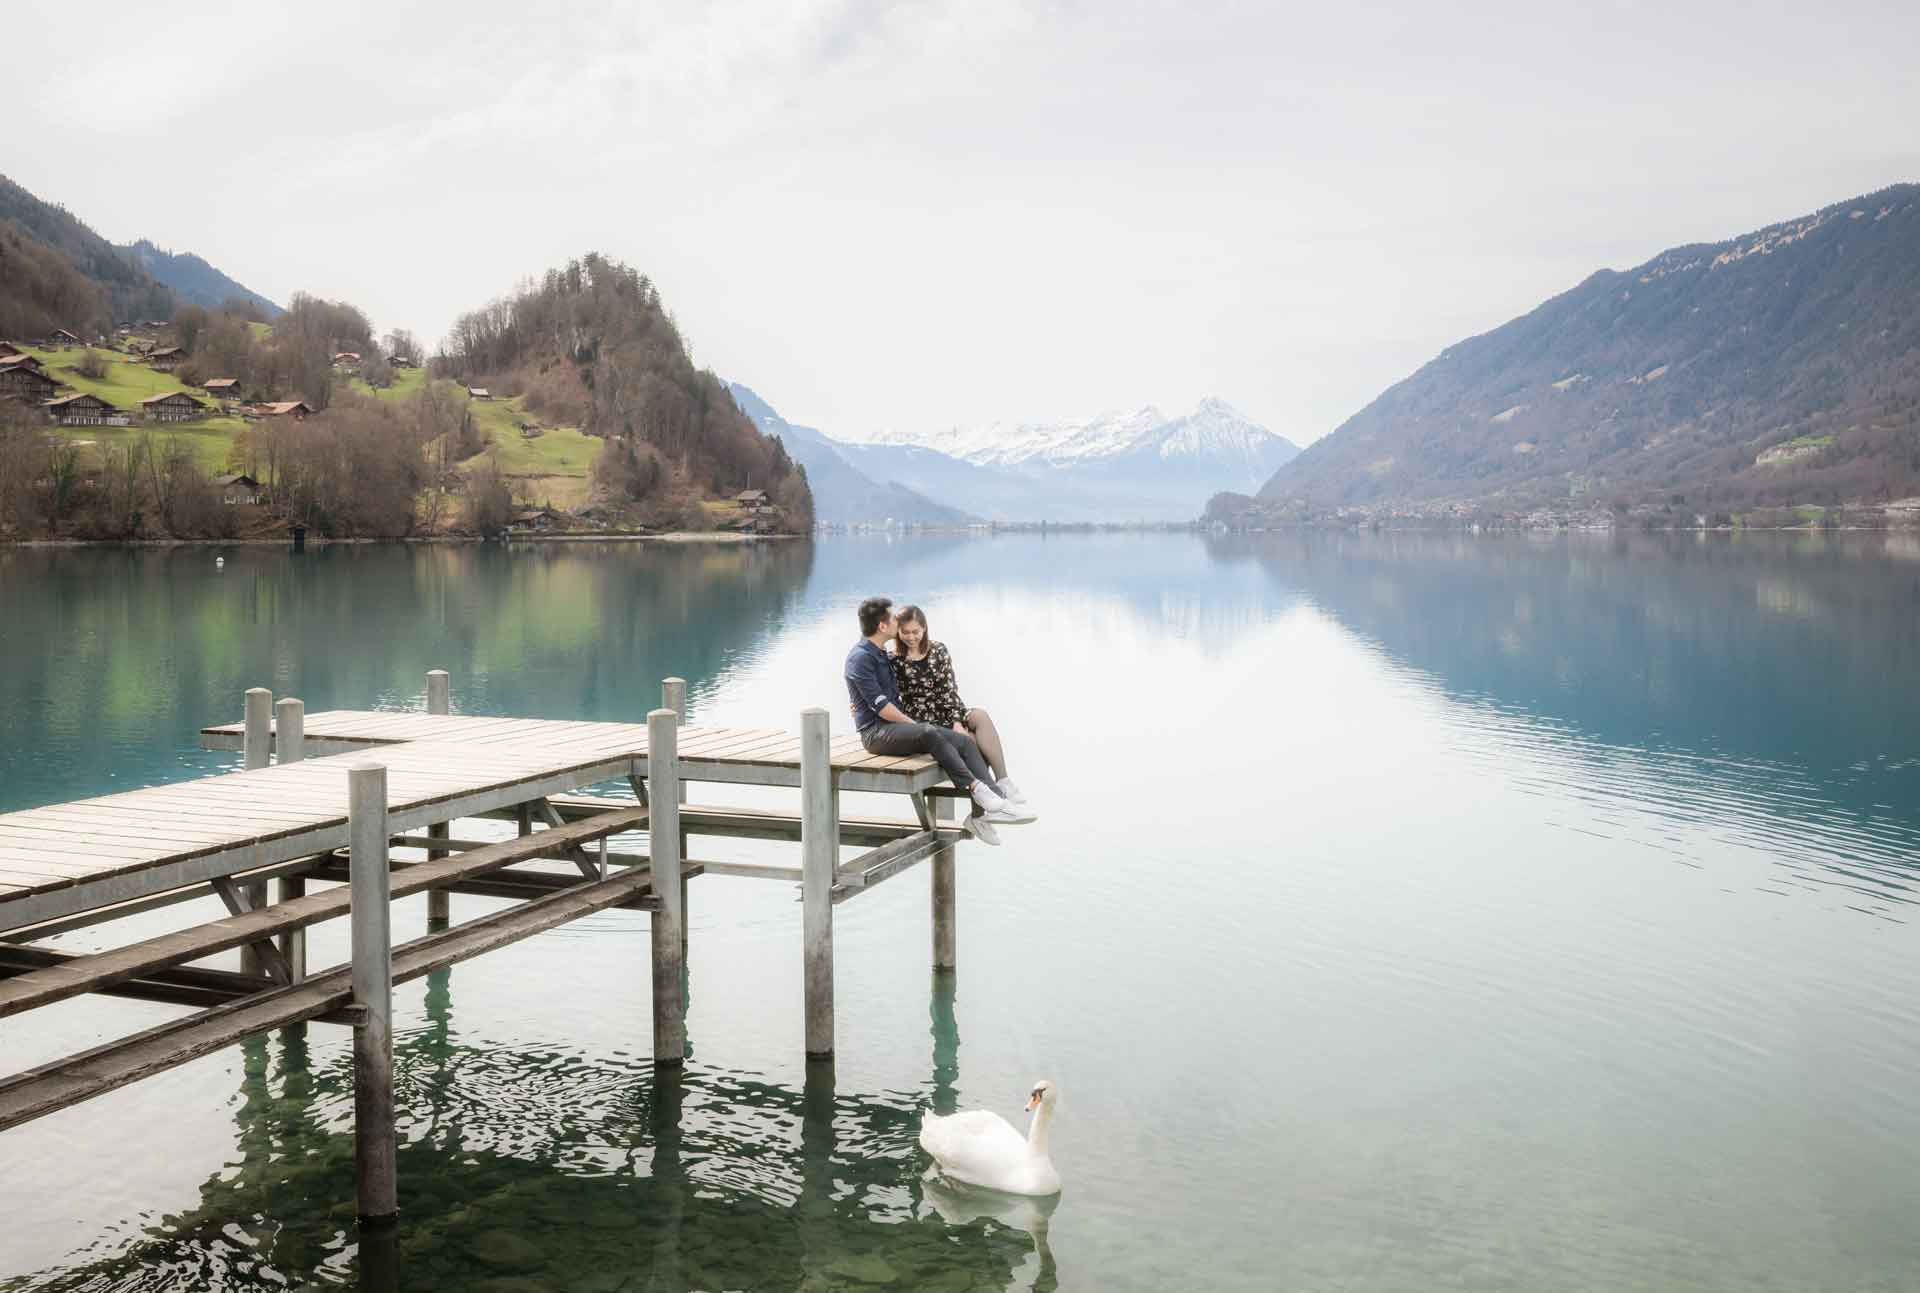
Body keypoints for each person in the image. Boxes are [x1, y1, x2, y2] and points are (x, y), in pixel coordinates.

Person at [844, 596, 1033, 846]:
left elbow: (879, 696)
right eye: (893, 620)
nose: (898, 625)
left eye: (915, 631)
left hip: (900, 726)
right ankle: (980, 792)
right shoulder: (862, 657)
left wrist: (949, 721)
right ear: (882, 625)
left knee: (966, 743)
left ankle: (996, 799)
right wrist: (911, 724)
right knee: (929, 732)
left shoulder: (880, 654)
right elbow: (881, 706)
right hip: (877, 733)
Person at [891, 604, 1029, 811]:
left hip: (946, 709)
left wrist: (957, 722)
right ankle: (982, 813)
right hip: (922, 719)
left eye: (916, 632)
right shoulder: (893, 659)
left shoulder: (938, 649)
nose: (911, 637)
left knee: (980, 716)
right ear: (898, 631)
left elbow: (949, 689)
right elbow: (883, 692)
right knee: (971, 741)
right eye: (905, 632)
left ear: (924, 629)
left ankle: (1002, 781)